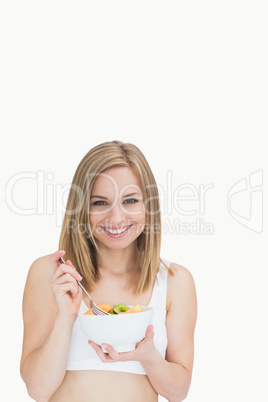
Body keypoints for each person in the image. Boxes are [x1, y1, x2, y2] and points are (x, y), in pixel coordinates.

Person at [20, 140, 197, 402]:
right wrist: (66, 317)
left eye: (130, 200)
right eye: (100, 203)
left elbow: (178, 392)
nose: (116, 219)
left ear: (148, 206)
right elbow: (37, 389)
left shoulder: (175, 282)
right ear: (81, 209)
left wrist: (148, 356)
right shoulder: (51, 275)